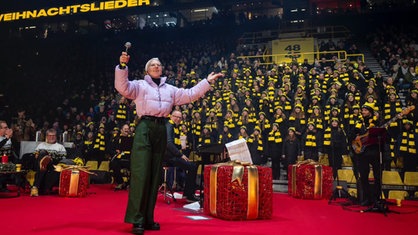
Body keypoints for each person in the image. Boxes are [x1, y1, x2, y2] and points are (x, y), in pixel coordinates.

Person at [115, 53, 223, 235]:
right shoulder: (139, 86)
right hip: (144, 127)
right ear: (147, 70)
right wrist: (123, 67)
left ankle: (148, 218)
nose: (157, 67)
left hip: (161, 129)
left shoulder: (170, 89)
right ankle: (137, 219)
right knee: (141, 173)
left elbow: (189, 95)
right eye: (153, 65)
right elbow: (122, 87)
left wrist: (207, 82)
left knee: (156, 175)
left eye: (159, 64)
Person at [350, 104, 383, 206]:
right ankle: (366, 198)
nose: (363, 111)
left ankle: (376, 198)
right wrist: (356, 137)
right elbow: (351, 135)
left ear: (370, 112)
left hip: (374, 151)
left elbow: (383, 135)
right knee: (363, 176)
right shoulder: (358, 122)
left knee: (377, 176)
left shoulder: (377, 121)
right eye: (362, 110)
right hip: (362, 153)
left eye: (365, 110)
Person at [165, 110, 199, 202]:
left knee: (192, 166)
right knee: (192, 167)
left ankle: (188, 193)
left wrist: (181, 147)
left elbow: (173, 144)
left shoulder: (174, 127)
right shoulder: (169, 126)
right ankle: (189, 195)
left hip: (172, 156)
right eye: (176, 117)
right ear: (171, 116)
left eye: (180, 118)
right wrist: (180, 155)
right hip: (169, 157)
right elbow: (168, 143)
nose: (178, 119)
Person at [30, 128, 67, 197]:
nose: (51, 137)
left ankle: (35, 186)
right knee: (42, 154)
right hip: (40, 165)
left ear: (56, 137)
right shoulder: (41, 145)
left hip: (53, 165)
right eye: (50, 135)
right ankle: (44, 161)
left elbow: (62, 160)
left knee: (43, 156)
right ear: (46, 136)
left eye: (53, 135)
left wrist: (51, 159)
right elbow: (35, 156)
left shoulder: (60, 147)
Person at [110, 124, 134, 190]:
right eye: (125, 129)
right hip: (119, 157)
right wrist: (116, 151)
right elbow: (110, 149)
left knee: (135, 166)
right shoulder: (116, 139)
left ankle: (129, 184)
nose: (127, 130)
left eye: (127, 129)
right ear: (121, 130)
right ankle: (121, 182)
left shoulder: (132, 139)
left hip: (129, 157)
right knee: (114, 164)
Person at [0, 120, 15, 192]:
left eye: (7, 127)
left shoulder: (8, 138)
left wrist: (11, 137)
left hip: (8, 160)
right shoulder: (6, 138)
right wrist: (6, 139)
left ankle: (3, 186)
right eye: (5, 128)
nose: (7, 129)